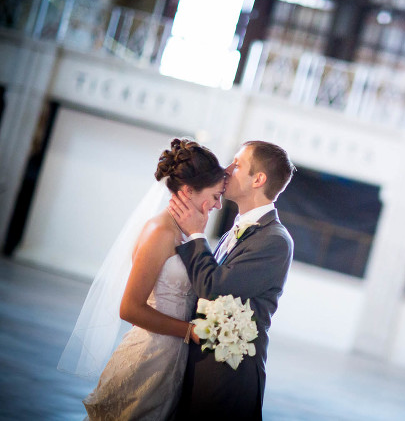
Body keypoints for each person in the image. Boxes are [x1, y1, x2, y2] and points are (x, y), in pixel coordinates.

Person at [58, 138, 226, 420]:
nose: (219, 204)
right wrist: (189, 331)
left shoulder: (188, 232)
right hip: (146, 359)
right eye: (215, 195)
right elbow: (129, 309)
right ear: (188, 191)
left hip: (172, 361)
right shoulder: (159, 232)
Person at [168, 140, 295, 420]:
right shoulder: (237, 230)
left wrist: (196, 234)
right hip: (200, 371)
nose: (226, 170)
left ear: (258, 180)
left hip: (226, 381)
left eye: (237, 165)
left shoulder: (274, 240)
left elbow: (213, 288)